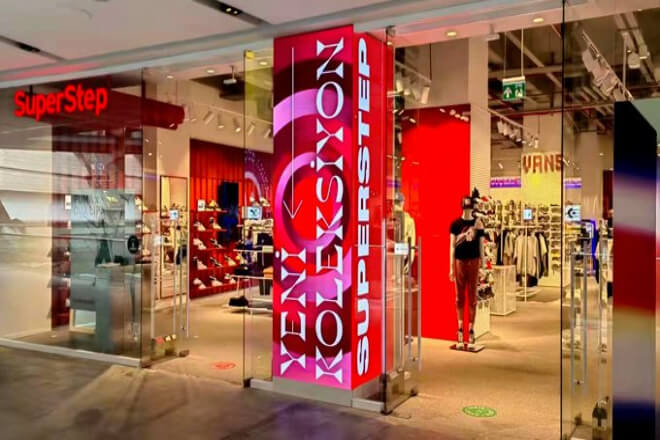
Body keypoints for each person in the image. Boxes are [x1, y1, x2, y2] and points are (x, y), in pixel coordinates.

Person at [449, 194, 484, 345]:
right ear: (462, 208)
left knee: (472, 297)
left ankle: (471, 329)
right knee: (459, 296)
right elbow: (451, 247)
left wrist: (482, 264)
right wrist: (451, 267)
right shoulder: (455, 224)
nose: (467, 211)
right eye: (466, 208)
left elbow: (481, 246)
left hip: (474, 261)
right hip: (459, 261)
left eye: (469, 208)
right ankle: (460, 327)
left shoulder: (478, 224)